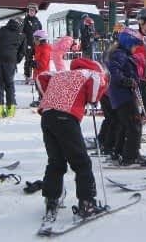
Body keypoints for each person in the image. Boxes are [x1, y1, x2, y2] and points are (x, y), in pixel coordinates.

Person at [36, 57, 109, 218]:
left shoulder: (62, 73)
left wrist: (48, 95)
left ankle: (51, 199)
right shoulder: (90, 73)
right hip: (66, 117)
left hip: (47, 115)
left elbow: (41, 77)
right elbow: (97, 88)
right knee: (81, 162)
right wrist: (93, 99)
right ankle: (87, 203)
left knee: (56, 161)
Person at [107, 28, 146, 166]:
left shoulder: (122, 54)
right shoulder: (119, 55)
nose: (135, 49)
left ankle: (120, 152)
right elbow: (114, 71)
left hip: (123, 95)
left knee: (126, 124)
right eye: (134, 45)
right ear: (128, 43)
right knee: (135, 124)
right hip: (123, 95)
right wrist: (125, 80)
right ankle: (131, 156)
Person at [0, 18, 26, 118]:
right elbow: (22, 52)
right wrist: (15, 60)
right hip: (10, 60)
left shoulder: (1, 30)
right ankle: (10, 111)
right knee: (9, 84)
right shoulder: (21, 35)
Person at [29, 29, 52, 108]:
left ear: (41, 40)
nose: (34, 41)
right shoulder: (38, 47)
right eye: (34, 39)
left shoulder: (45, 49)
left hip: (42, 73)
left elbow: (43, 63)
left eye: (36, 39)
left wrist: (35, 64)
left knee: (42, 87)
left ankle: (44, 100)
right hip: (37, 73)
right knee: (38, 87)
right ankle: (41, 99)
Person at [23, 3, 42, 84]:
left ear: (35, 12)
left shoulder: (37, 22)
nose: (31, 12)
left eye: (33, 10)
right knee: (28, 60)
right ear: (28, 11)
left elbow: (41, 32)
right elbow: (22, 32)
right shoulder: (25, 21)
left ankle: (37, 76)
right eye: (30, 10)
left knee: (38, 59)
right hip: (28, 43)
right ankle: (27, 76)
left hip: (37, 44)